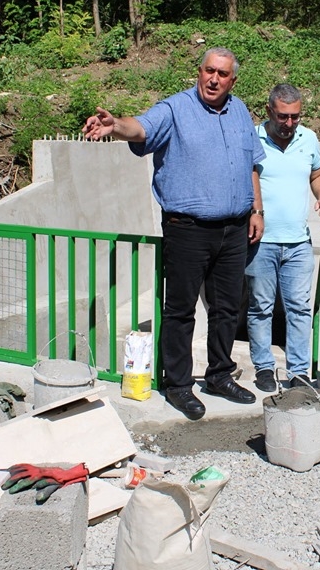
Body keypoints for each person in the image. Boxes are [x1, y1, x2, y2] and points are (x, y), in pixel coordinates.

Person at [82, 47, 265, 420]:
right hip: (188, 229)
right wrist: (115, 126)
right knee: (181, 310)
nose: (213, 79)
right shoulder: (175, 109)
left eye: (222, 74)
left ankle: (219, 375)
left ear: (233, 80)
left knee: (227, 308)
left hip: (234, 228)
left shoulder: (240, 111)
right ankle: (179, 384)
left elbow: (251, 164)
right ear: (199, 71)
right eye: (209, 70)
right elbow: (141, 127)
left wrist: (257, 210)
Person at [246, 84, 320, 392]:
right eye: (283, 116)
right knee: (261, 307)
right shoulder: (252, 138)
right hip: (261, 242)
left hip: (298, 243)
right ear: (269, 111)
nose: (289, 123)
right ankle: (264, 367)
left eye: (295, 116)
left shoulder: (307, 138)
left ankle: (298, 372)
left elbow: (317, 173)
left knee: (299, 308)